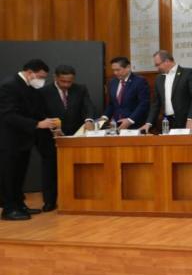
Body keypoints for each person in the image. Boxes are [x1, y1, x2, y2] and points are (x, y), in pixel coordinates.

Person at [0, 59, 58, 220]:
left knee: (19, 174)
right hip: (9, 139)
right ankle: (9, 209)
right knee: (9, 174)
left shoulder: (29, 86)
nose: (42, 81)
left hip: (24, 139)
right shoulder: (9, 85)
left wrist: (48, 121)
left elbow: (34, 110)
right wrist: (37, 124)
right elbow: (8, 115)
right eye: (40, 77)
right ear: (30, 72)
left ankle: (19, 204)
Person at [37, 64, 96, 212]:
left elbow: (88, 106)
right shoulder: (43, 92)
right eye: (63, 81)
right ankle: (49, 201)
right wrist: (53, 128)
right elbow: (39, 113)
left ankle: (77, 200)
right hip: (50, 137)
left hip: (75, 136)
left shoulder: (80, 89)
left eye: (69, 82)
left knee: (76, 170)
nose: (66, 85)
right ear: (55, 78)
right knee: (50, 170)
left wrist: (89, 120)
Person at [141, 50, 192, 133]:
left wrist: (191, 118)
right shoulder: (159, 79)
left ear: (167, 61)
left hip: (187, 122)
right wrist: (148, 123)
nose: (157, 68)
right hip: (168, 124)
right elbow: (155, 103)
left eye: (158, 64)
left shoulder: (188, 73)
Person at [100, 56, 150, 130]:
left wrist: (130, 120)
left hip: (135, 125)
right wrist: (104, 117)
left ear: (128, 67)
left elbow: (144, 104)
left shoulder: (139, 81)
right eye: (113, 70)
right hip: (117, 126)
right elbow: (112, 104)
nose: (115, 73)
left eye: (118, 70)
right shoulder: (112, 82)